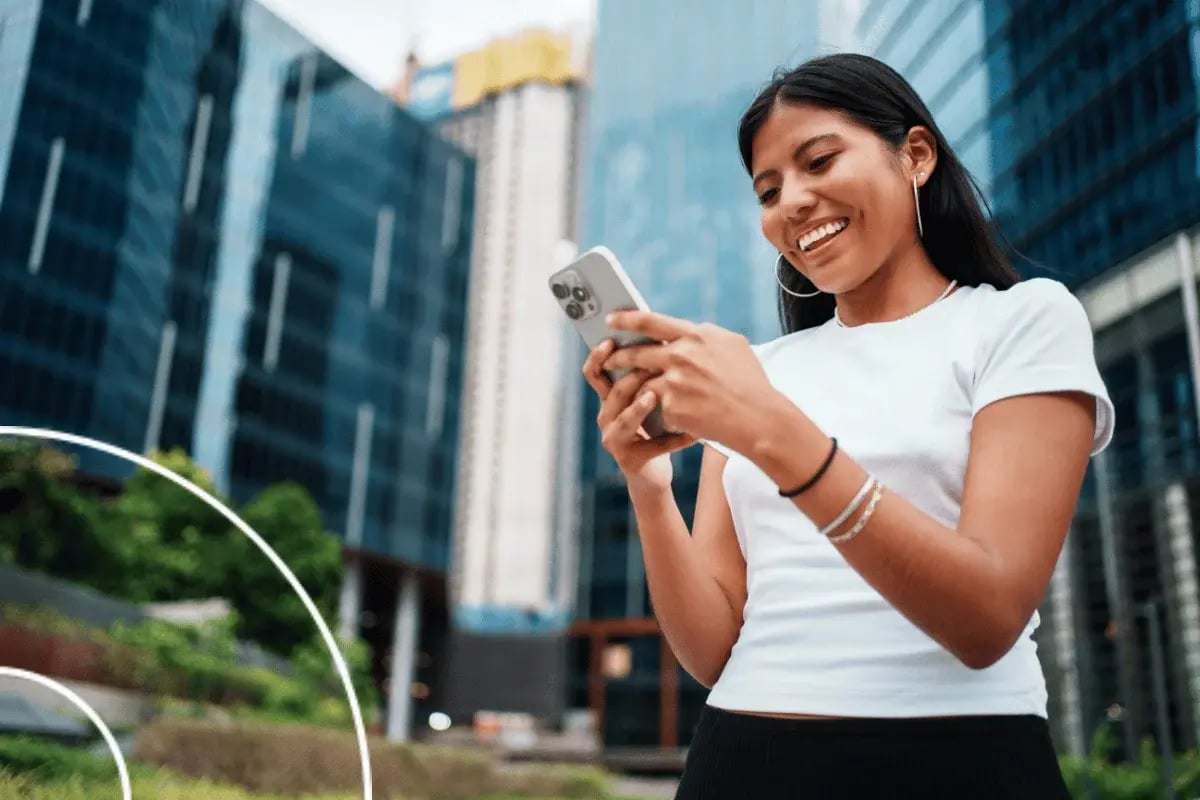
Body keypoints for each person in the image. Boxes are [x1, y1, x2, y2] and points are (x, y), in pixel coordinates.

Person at [580, 53, 1114, 799]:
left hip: (957, 761)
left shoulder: (1022, 321)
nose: (792, 202)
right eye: (768, 191)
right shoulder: (757, 371)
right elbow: (712, 649)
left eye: (819, 161)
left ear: (915, 156)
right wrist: (647, 485)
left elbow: (987, 617)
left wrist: (773, 432)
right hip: (741, 760)